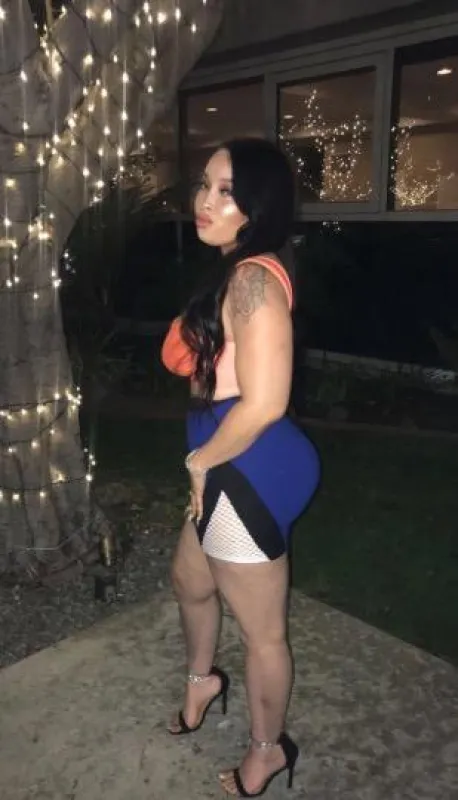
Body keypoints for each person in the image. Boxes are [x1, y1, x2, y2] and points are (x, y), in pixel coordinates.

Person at [161, 138, 320, 797]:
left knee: (263, 635)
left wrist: (201, 462)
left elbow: (265, 402)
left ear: (258, 205)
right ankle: (203, 682)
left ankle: (267, 750)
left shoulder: (253, 280)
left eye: (226, 191)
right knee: (190, 579)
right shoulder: (236, 271)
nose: (205, 200)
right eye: (204, 184)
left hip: (241, 466)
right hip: (227, 456)